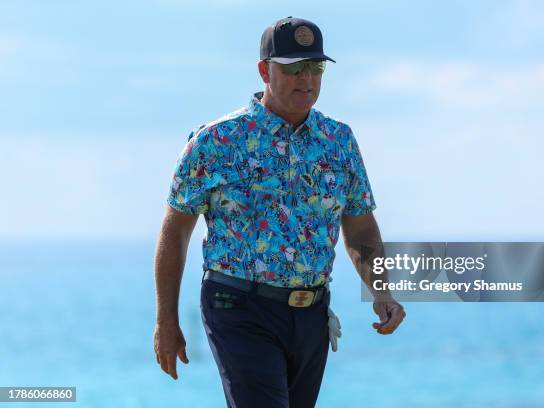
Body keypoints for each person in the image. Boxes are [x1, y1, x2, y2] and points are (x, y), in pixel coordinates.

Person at [153, 16, 406, 408]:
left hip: (311, 316)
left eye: (315, 67)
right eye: (293, 68)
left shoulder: (339, 141)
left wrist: (382, 291)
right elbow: (175, 231)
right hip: (238, 308)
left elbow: (360, 231)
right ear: (264, 71)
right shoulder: (216, 141)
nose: (306, 78)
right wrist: (166, 320)